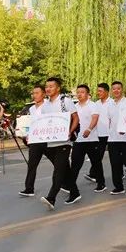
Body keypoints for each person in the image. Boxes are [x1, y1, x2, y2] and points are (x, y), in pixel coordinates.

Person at [39, 77, 81, 210]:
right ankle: (75, 193)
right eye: (47, 86)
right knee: (65, 170)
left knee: (58, 170)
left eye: (51, 86)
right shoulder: (45, 105)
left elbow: (76, 118)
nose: (48, 88)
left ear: (58, 88)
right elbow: (45, 122)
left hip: (64, 142)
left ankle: (51, 198)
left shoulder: (65, 101)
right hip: (51, 142)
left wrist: (70, 131)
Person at [71, 84, 106, 193]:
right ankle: (71, 185)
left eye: (82, 92)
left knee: (96, 163)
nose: (79, 94)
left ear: (87, 94)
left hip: (91, 139)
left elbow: (95, 118)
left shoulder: (92, 105)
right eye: (78, 92)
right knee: (75, 163)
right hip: (79, 140)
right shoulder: (74, 106)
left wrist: (89, 129)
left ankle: (101, 183)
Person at [19, 85, 47, 197]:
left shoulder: (48, 106)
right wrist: (27, 135)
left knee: (58, 163)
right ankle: (29, 188)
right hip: (35, 141)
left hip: (47, 140)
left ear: (43, 94)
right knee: (32, 165)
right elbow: (33, 124)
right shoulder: (31, 108)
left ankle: (67, 184)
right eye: (33, 93)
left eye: (37, 93)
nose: (34, 95)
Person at [86, 83, 112, 185]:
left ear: (106, 91)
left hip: (111, 134)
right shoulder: (95, 104)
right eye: (98, 91)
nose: (98, 93)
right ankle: (93, 174)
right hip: (100, 134)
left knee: (120, 156)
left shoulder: (112, 103)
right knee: (98, 155)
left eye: (100, 91)